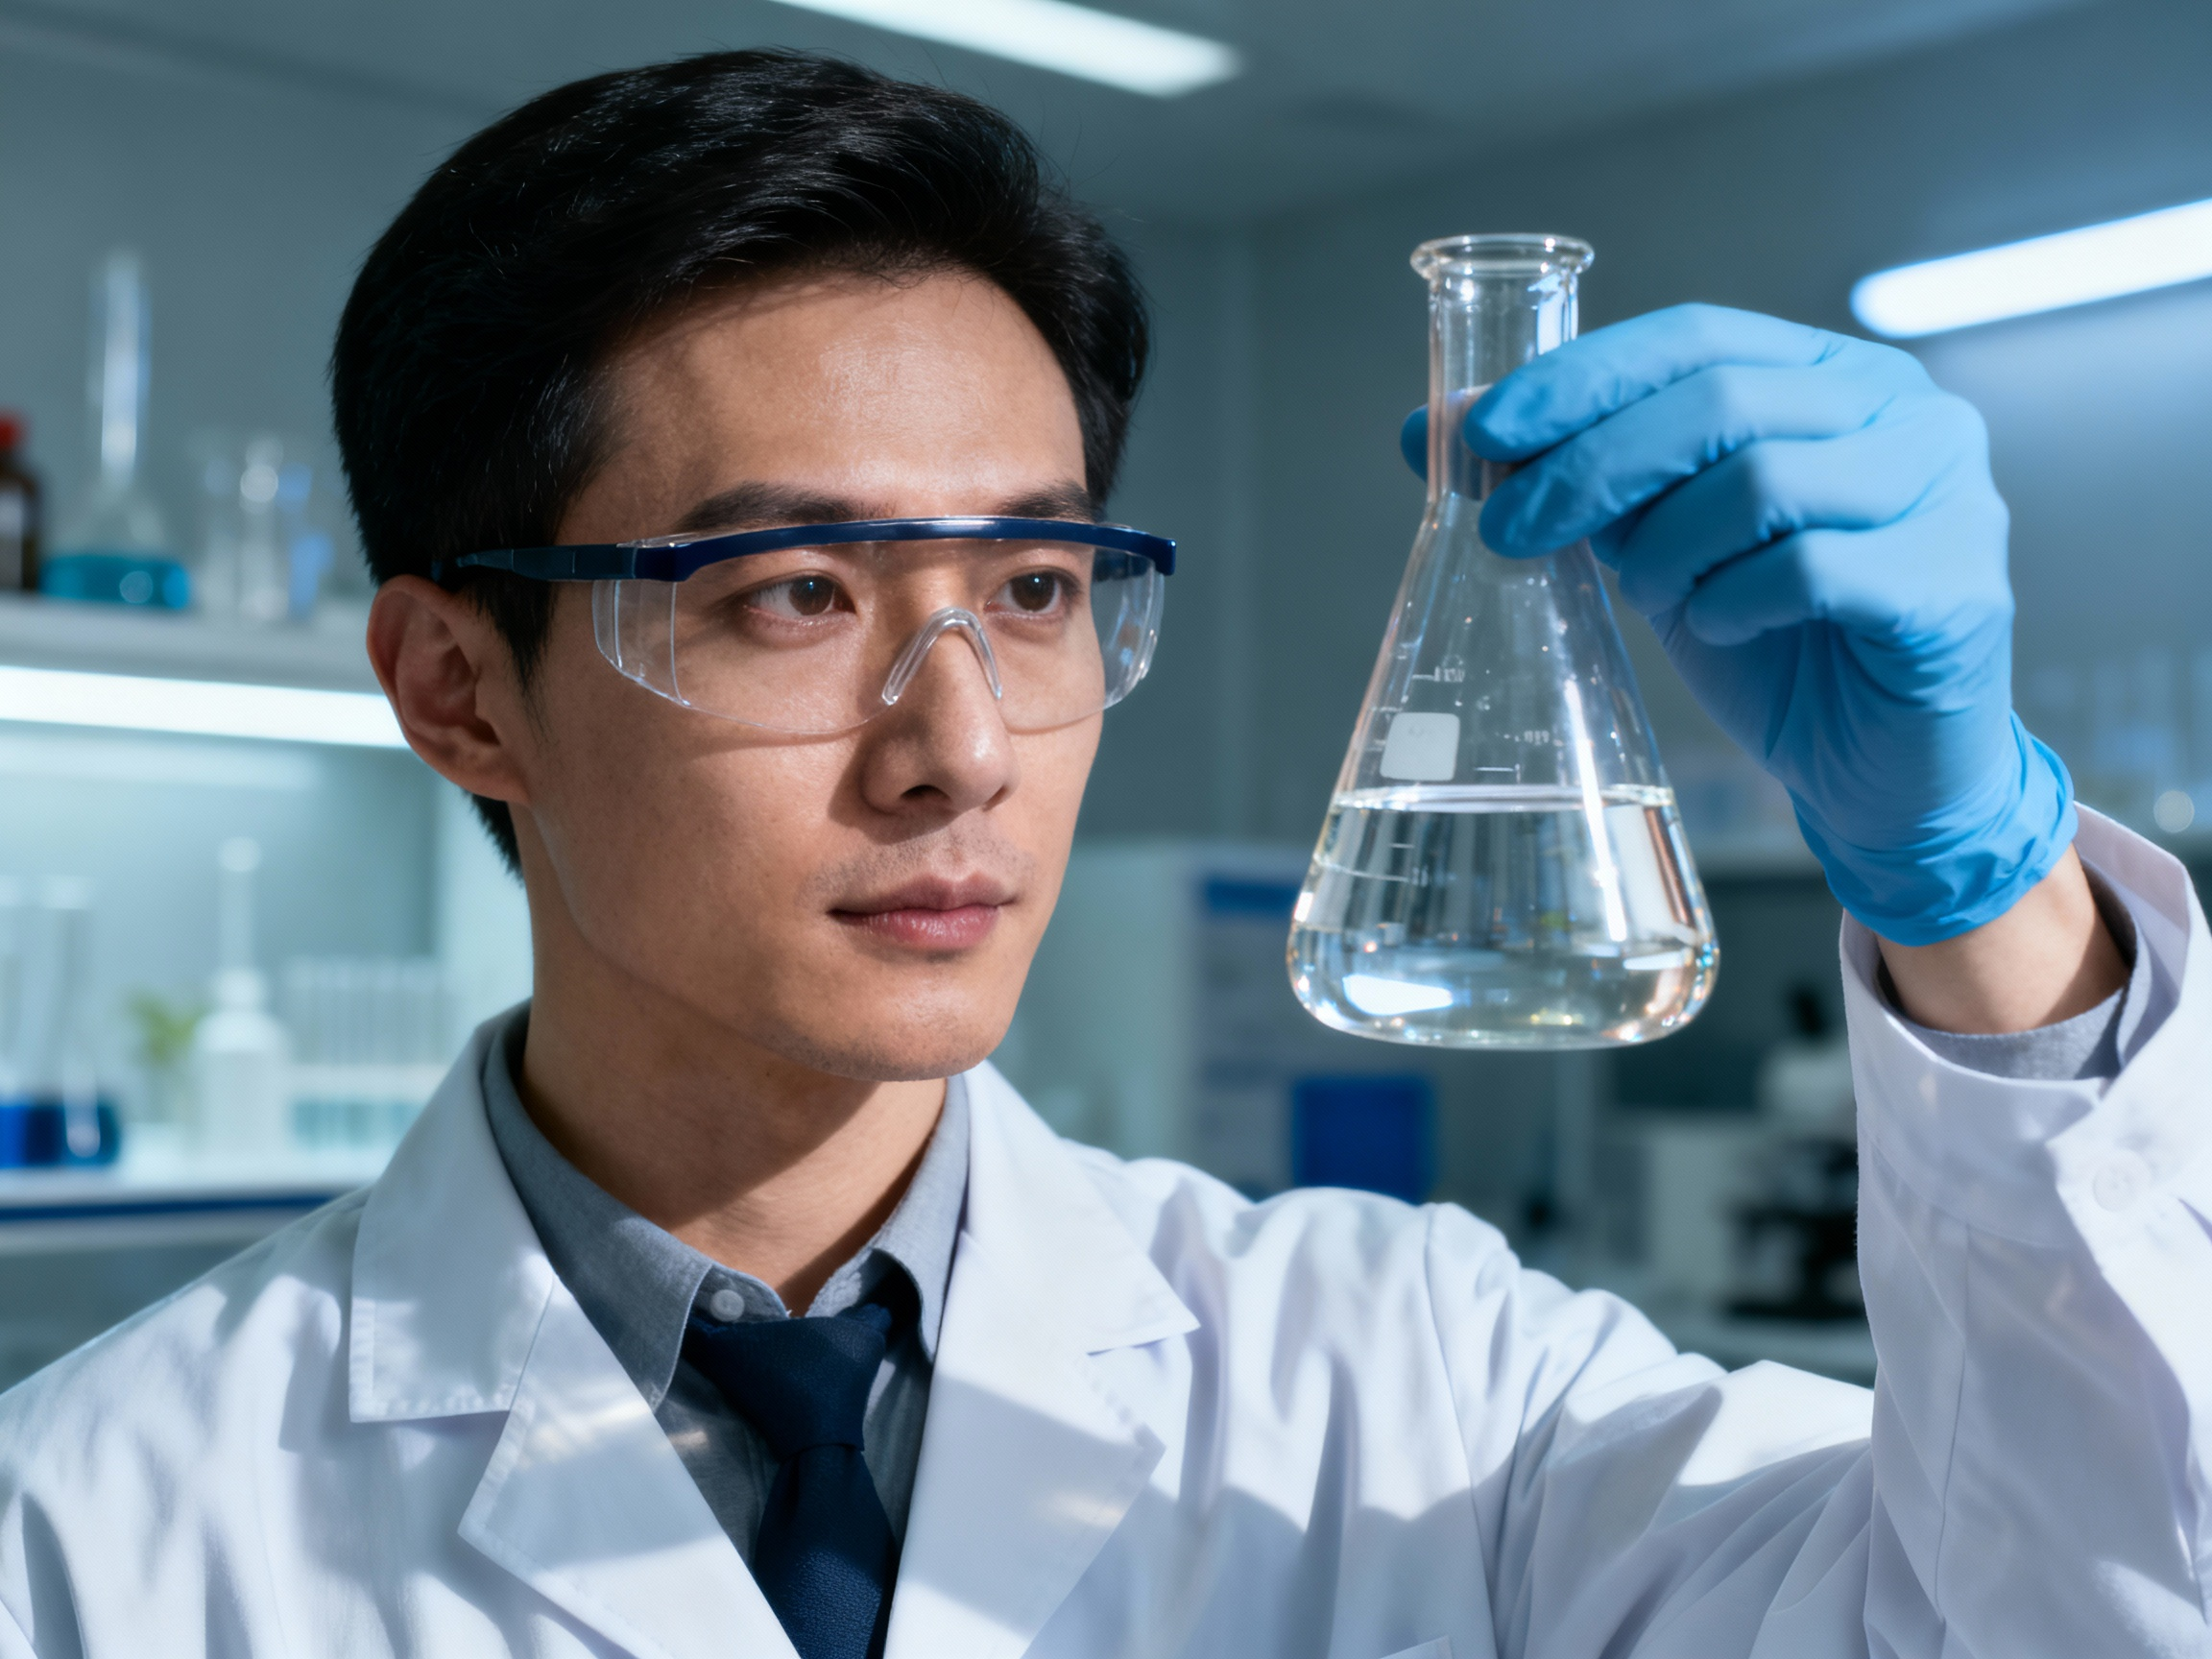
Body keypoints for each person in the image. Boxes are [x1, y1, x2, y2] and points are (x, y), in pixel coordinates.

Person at [0, 46, 2203, 1659]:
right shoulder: (89, 1538)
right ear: (460, 686)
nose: (959, 748)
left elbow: (2072, 1615)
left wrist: (1983, 893)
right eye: (794, 598)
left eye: (1037, 591)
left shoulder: (1419, 1393)